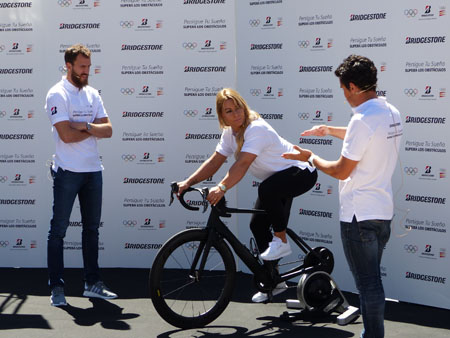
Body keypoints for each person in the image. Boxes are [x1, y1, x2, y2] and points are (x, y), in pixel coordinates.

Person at [283, 55, 403, 338]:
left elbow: (340, 170)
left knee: (369, 285)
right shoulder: (391, 112)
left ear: (351, 86)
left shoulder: (362, 119)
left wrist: (311, 157)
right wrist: (328, 131)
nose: (344, 96)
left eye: (342, 89)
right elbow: (363, 135)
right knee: (372, 281)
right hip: (382, 213)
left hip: (357, 216)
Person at [177, 88, 317, 302]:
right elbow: (215, 161)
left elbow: (242, 164)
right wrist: (188, 183)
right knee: (257, 225)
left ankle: (281, 240)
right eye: (229, 111)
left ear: (244, 106)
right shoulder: (229, 134)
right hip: (277, 179)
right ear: (222, 116)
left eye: (238, 107)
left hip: (301, 172)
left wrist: (222, 188)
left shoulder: (256, 128)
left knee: (267, 189)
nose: (236, 114)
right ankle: (274, 280)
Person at [45, 44, 117, 307]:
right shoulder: (57, 93)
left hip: (92, 172)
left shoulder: (92, 94)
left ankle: (92, 284)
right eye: (82, 66)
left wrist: (85, 125)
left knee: (91, 231)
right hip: (67, 172)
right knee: (58, 231)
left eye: (88, 66)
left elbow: (108, 130)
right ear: (69, 66)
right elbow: (65, 135)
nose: (87, 71)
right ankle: (56, 288)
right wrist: (91, 130)